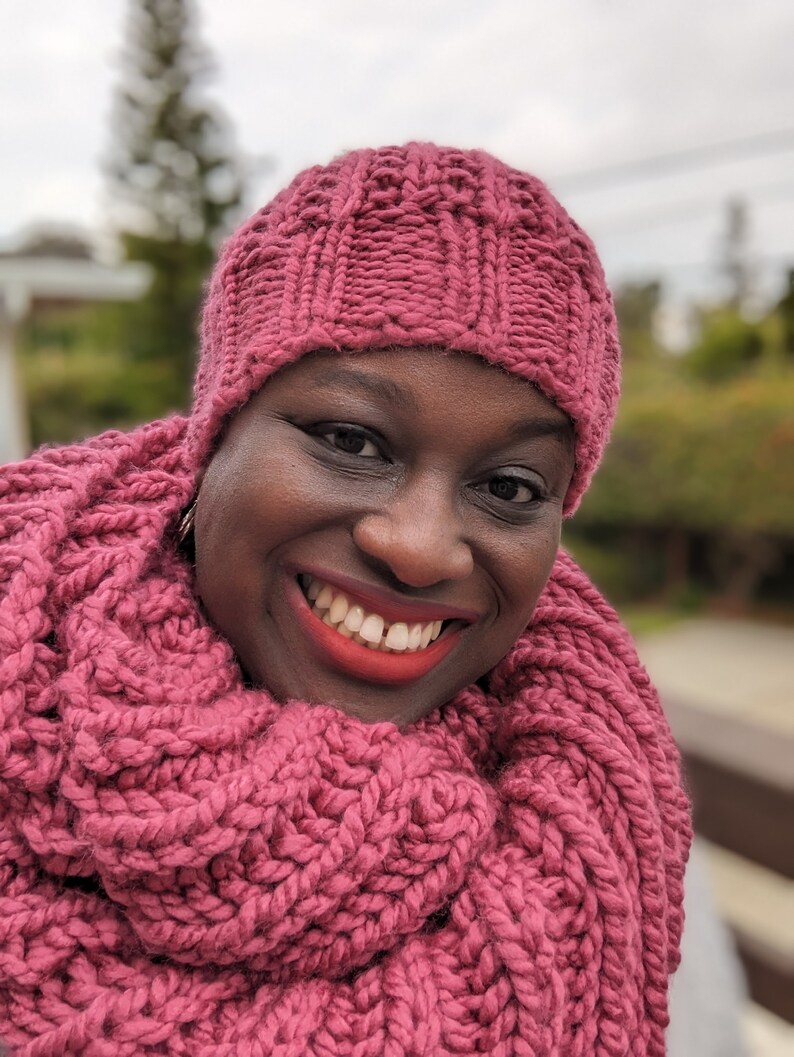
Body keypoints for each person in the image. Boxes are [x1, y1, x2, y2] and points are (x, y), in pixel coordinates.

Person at [0, 142, 691, 1056]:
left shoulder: (600, 815)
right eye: (352, 440)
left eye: (512, 487)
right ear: (211, 443)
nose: (418, 546)